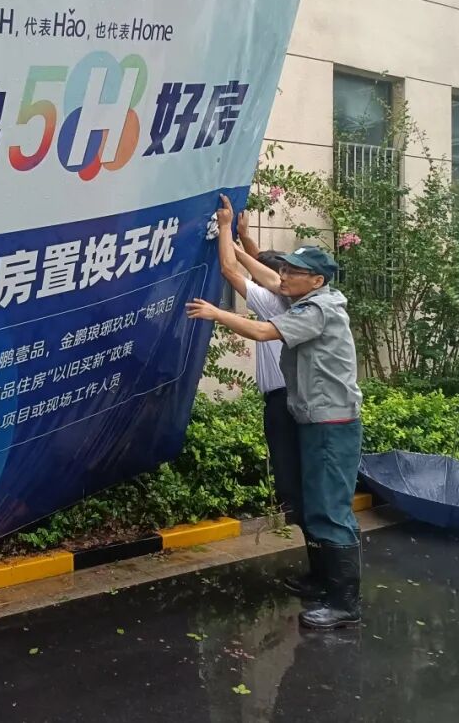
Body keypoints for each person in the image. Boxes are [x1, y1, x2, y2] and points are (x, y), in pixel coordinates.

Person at [187, 245, 363, 630]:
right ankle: (323, 581)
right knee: (312, 503)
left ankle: (344, 603)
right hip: (314, 419)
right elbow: (266, 277)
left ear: (315, 280)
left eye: (292, 272)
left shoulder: (318, 309)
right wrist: (235, 239)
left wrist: (217, 312)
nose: (283, 276)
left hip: (331, 424)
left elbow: (264, 331)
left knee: (330, 508)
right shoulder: (308, 297)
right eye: (284, 269)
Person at [213, 197, 309, 580]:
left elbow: (230, 269)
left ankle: (317, 556)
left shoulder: (273, 303)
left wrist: (224, 230)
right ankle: (315, 550)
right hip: (292, 399)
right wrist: (244, 237)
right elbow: (264, 267)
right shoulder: (294, 302)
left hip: (283, 404)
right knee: (298, 481)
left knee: (292, 483)